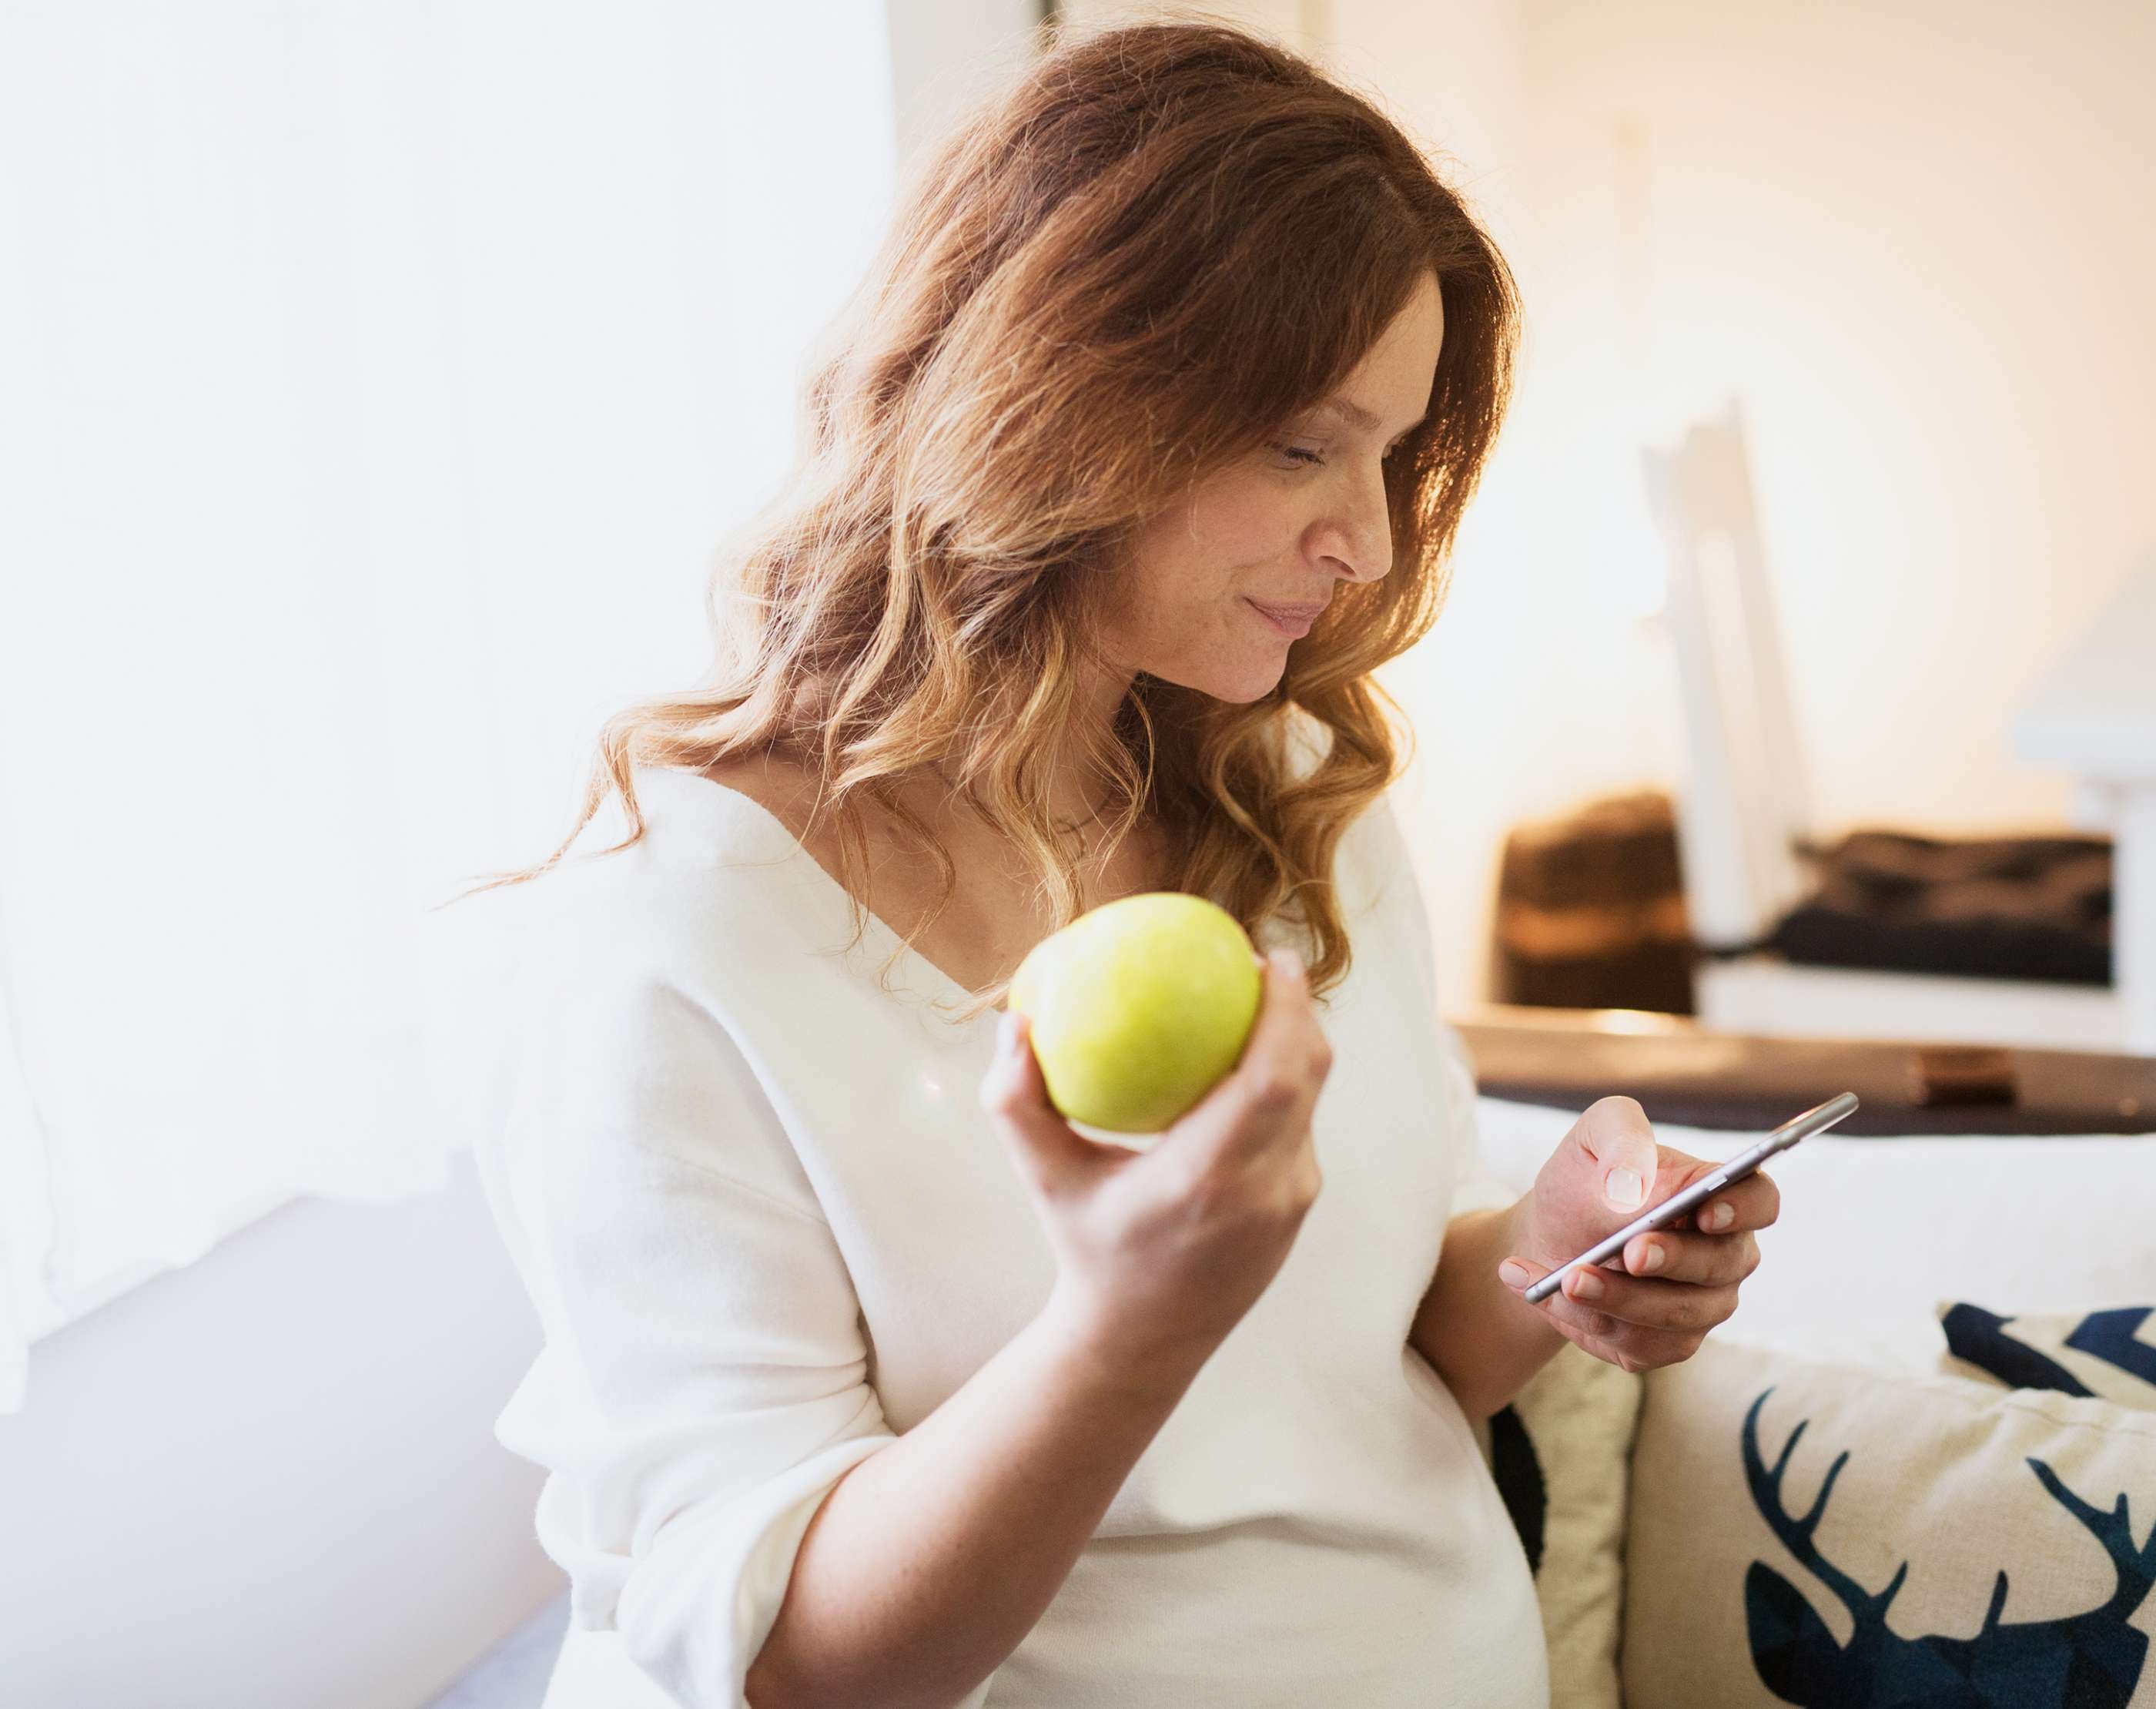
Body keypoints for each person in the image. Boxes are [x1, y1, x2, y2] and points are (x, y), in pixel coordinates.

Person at [445, 18, 1779, 1709]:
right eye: (1303, 445)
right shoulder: (670, 944)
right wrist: (1132, 1318)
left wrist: (1563, 1255)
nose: (1364, 543)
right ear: (1065, 401)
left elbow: (1387, 1360)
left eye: (1391, 452)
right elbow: (791, 1663)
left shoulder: (1294, 779)